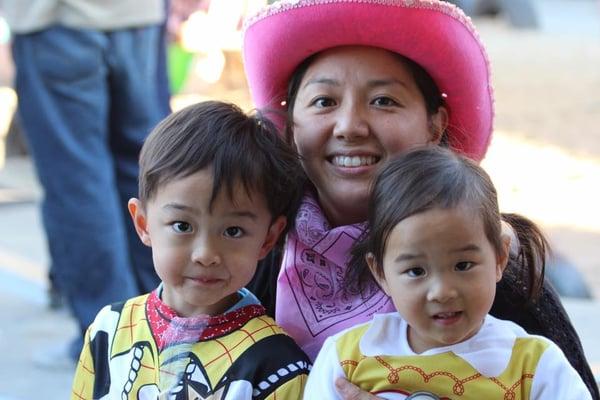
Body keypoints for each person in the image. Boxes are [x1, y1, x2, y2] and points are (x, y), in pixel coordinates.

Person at [241, 0, 600, 398]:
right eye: (324, 101)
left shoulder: (495, 279)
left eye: (383, 101)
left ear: (435, 126)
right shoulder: (251, 248)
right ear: (291, 128)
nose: (350, 126)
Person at [303, 147, 592, 399]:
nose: (442, 291)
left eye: (463, 265)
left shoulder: (535, 367)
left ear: (500, 258)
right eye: (416, 271)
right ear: (381, 273)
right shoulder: (346, 359)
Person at [71, 101, 311, 399]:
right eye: (183, 226)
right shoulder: (109, 329)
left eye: (233, 231)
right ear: (143, 223)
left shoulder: (276, 365)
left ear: (267, 239)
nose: (206, 254)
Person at [0, 0, 169, 364]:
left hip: (56, 18)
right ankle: (162, 323)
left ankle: (109, 343)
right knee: (145, 167)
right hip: (137, 15)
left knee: (76, 181)